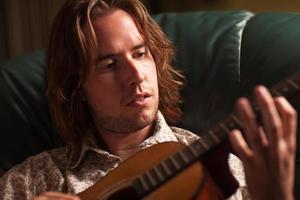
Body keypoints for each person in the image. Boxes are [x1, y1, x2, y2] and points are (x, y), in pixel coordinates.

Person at [0, 0, 297, 200]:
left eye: (140, 54)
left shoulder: (222, 168)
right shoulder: (27, 181)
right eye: (109, 65)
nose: (135, 75)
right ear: (76, 86)